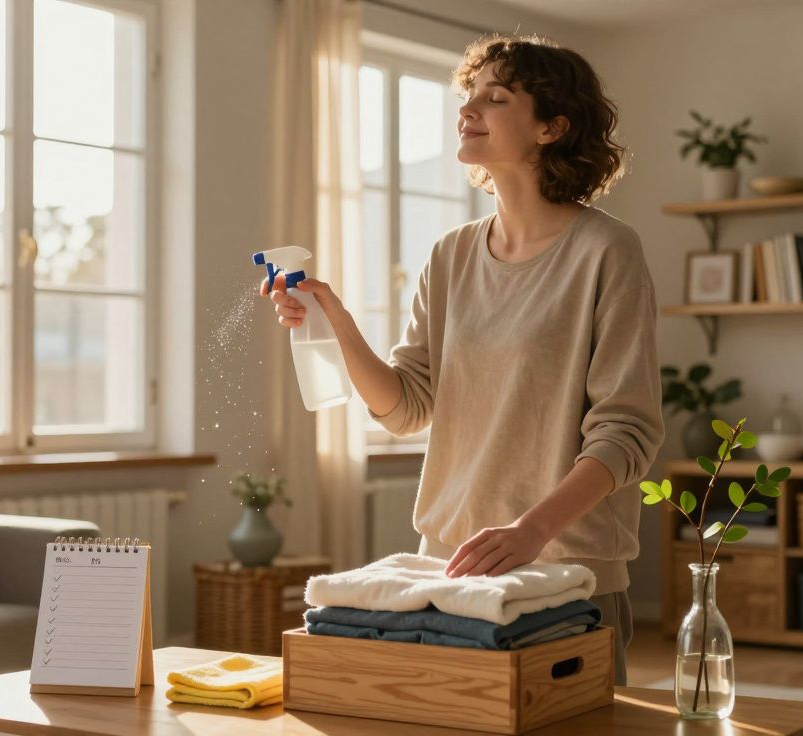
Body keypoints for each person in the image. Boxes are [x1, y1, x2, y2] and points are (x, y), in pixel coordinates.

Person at [265, 34, 664, 684]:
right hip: (450, 566)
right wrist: (335, 324)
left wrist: (531, 532)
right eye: (467, 96)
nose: (467, 109)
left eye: (495, 97)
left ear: (551, 127)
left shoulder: (607, 251)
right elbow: (406, 406)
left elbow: (627, 432)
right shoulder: (451, 255)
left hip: (567, 567)